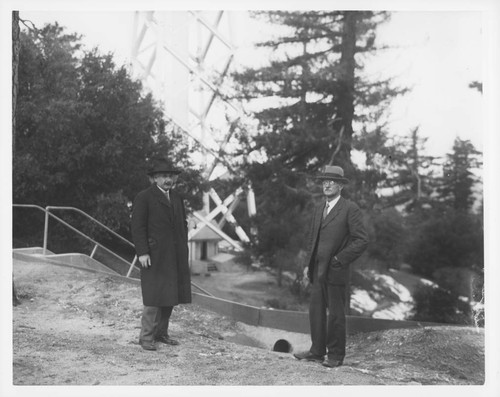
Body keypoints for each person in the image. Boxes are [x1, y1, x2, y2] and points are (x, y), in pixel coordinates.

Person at [294, 165, 368, 367]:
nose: (327, 184)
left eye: (332, 181)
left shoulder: (350, 209)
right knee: (315, 310)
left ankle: (335, 356)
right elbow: (313, 239)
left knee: (335, 315)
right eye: (324, 181)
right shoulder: (319, 208)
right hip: (317, 269)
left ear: (341, 186)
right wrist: (307, 265)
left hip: (336, 270)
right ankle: (317, 351)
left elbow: (361, 240)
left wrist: (339, 259)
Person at [131, 159, 192, 351]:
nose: (169, 179)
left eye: (171, 176)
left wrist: (183, 248)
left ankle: (161, 333)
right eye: (164, 176)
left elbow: (182, 224)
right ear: (154, 178)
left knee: (170, 296)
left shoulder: (177, 197)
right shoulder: (144, 197)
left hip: (175, 254)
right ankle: (146, 337)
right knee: (154, 297)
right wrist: (142, 252)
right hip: (155, 255)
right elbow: (137, 227)